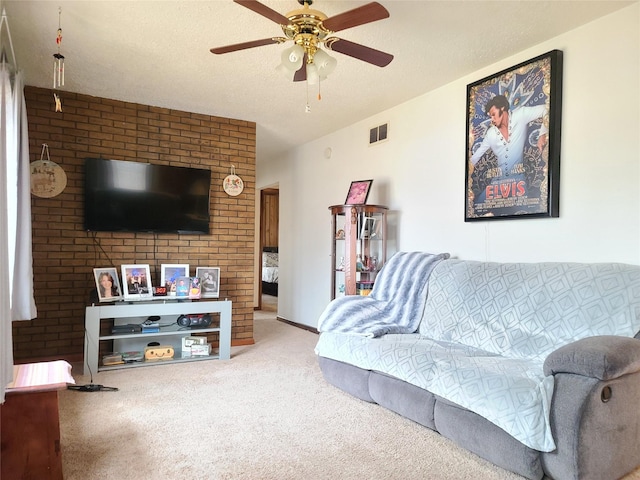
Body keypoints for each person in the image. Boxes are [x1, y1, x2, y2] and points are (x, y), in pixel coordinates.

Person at [471, 94, 548, 179]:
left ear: (502, 108)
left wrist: (542, 134)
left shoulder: (520, 115)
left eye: (494, 114)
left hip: (518, 183)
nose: (492, 119)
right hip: (496, 184)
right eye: (490, 116)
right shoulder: (490, 134)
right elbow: (477, 155)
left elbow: (546, 108)